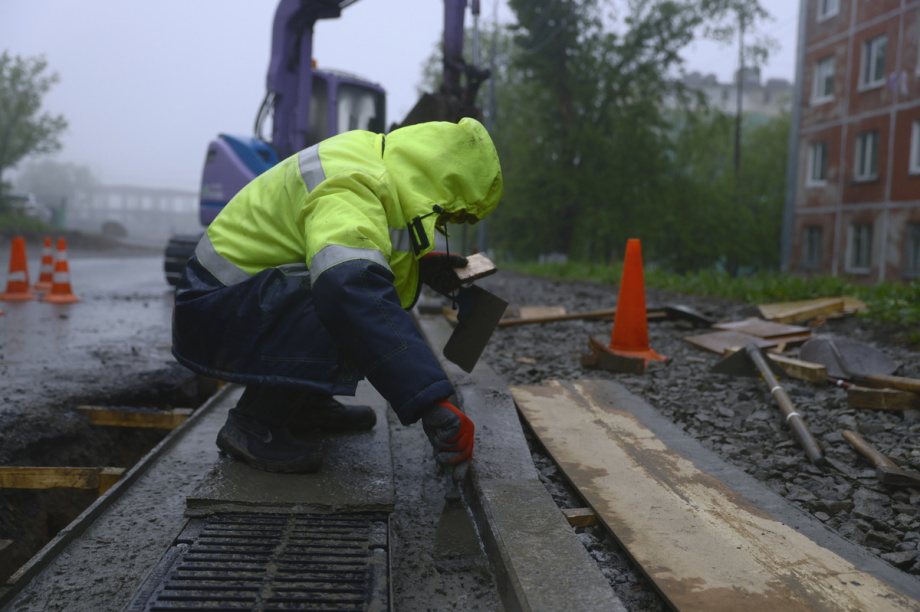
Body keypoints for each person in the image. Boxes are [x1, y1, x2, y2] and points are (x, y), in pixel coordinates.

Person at [172, 117, 503, 487]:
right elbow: (348, 285)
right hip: (215, 310)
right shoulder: (355, 181)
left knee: (349, 288)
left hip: (233, 299)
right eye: (450, 211)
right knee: (345, 295)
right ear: (440, 182)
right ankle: (253, 424)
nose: (447, 221)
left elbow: (363, 246)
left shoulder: (379, 162)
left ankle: (304, 405)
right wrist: (430, 400)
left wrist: (422, 267)